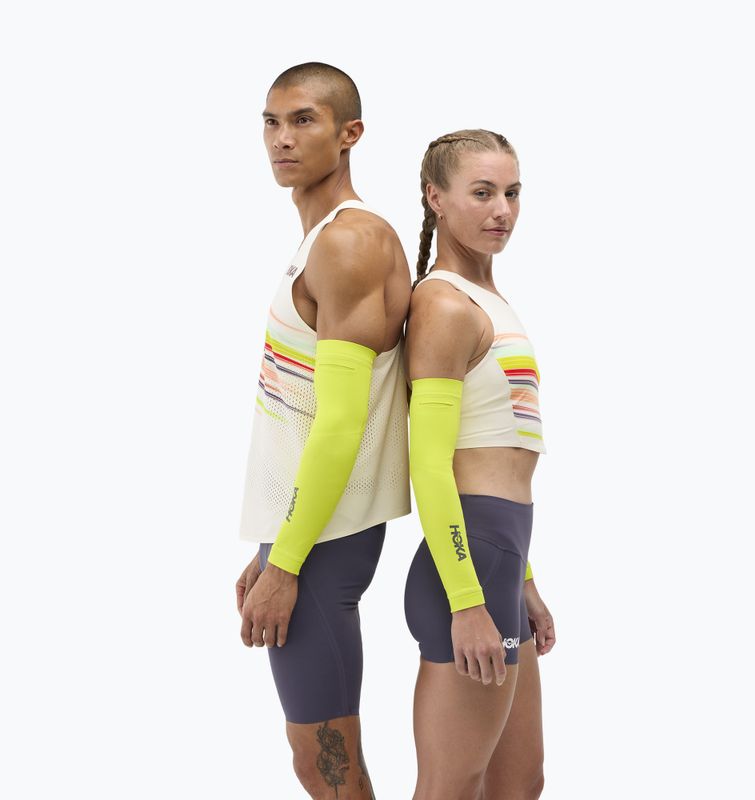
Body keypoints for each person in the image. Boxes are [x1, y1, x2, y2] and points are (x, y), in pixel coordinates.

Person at [235, 62, 411, 799]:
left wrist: (286, 563)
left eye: (303, 120)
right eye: (271, 122)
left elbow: (341, 424)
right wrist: (271, 543)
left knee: (326, 764)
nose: (282, 138)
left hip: (324, 541)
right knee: (319, 759)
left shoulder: (348, 242)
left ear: (350, 134)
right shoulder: (322, 242)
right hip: (306, 532)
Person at [404, 129, 556, 799]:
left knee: (519, 784)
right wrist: (468, 603)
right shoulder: (443, 304)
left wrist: (524, 580)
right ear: (436, 199)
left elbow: (498, 459)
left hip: (500, 559)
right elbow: (431, 465)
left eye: (512, 193)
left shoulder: (489, 298)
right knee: (450, 787)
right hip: (465, 570)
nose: (502, 210)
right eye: (483, 193)